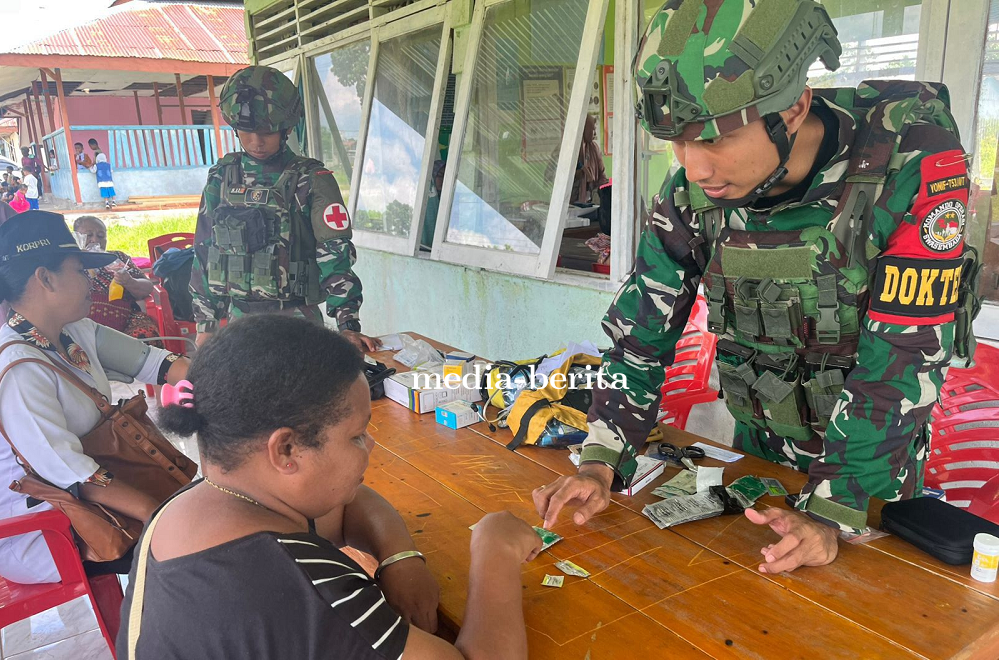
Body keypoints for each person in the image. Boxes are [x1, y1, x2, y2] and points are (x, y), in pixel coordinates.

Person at [534, 0, 976, 574]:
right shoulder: (693, 190)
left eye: (714, 138)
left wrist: (832, 511)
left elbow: (901, 358)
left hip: (867, 478)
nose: (694, 167)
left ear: (792, 109)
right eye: (676, 141)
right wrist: (601, 457)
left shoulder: (909, 161)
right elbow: (641, 334)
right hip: (759, 452)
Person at [120, 314, 541, 659]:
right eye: (357, 436)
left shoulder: (196, 505)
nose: (370, 446)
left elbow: (349, 505)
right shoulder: (306, 589)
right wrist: (495, 550)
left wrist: (399, 557)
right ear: (286, 449)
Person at [0, 211, 190, 584]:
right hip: (44, 527)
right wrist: (159, 514)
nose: (91, 280)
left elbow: (157, 363)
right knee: (195, 541)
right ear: (45, 278)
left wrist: (235, 379)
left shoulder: (75, 331)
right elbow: (71, 475)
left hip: (94, 496)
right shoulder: (18, 368)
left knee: (204, 514)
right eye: (79, 270)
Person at [189, 65, 380, 353]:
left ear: (286, 128)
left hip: (298, 321)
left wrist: (347, 324)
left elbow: (335, 253)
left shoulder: (311, 179)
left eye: (266, 131)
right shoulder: (222, 177)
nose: (256, 141)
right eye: (247, 131)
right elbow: (205, 250)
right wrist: (206, 326)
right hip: (240, 322)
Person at [72, 215, 160, 344]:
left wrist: (129, 281)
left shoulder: (117, 258)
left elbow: (147, 287)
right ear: (75, 237)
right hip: (80, 321)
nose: (95, 240)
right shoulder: (69, 262)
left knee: (146, 332)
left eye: (101, 236)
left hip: (125, 320)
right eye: (89, 235)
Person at [88, 139, 117, 210]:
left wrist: (89, 167)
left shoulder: (97, 164)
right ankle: (114, 202)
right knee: (111, 191)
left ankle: (106, 203)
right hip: (109, 181)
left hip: (101, 181)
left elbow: (93, 171)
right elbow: (111, 171)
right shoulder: (108, 165)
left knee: (104, 192)